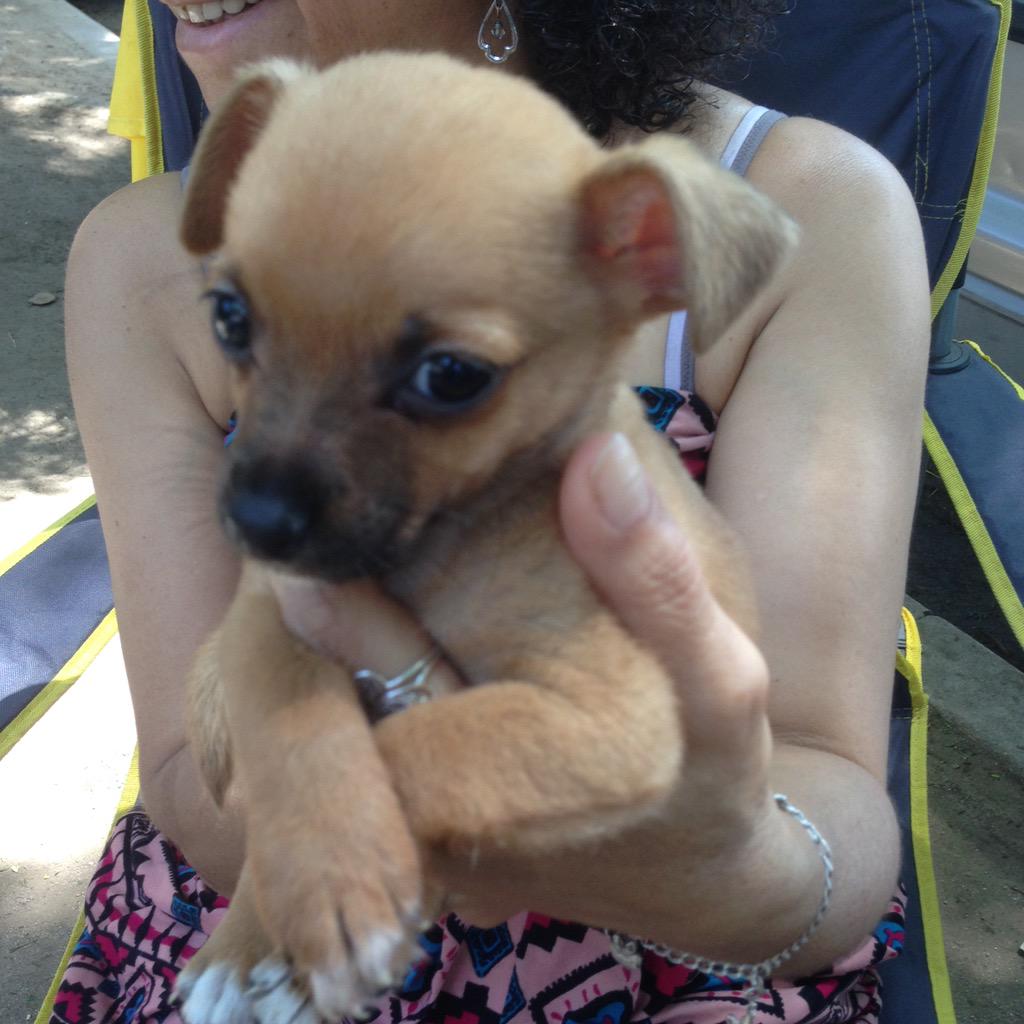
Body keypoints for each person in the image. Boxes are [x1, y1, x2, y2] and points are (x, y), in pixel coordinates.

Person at [54, 1, 929, 1021]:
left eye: (446, 375)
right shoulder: (140, 250)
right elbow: (202, 747)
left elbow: (792, 779)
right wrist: (308, 771)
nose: (274, 477)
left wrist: (734, 872)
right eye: (240, 322)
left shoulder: (790, 211)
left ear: (643, 262)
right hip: (279, 926)